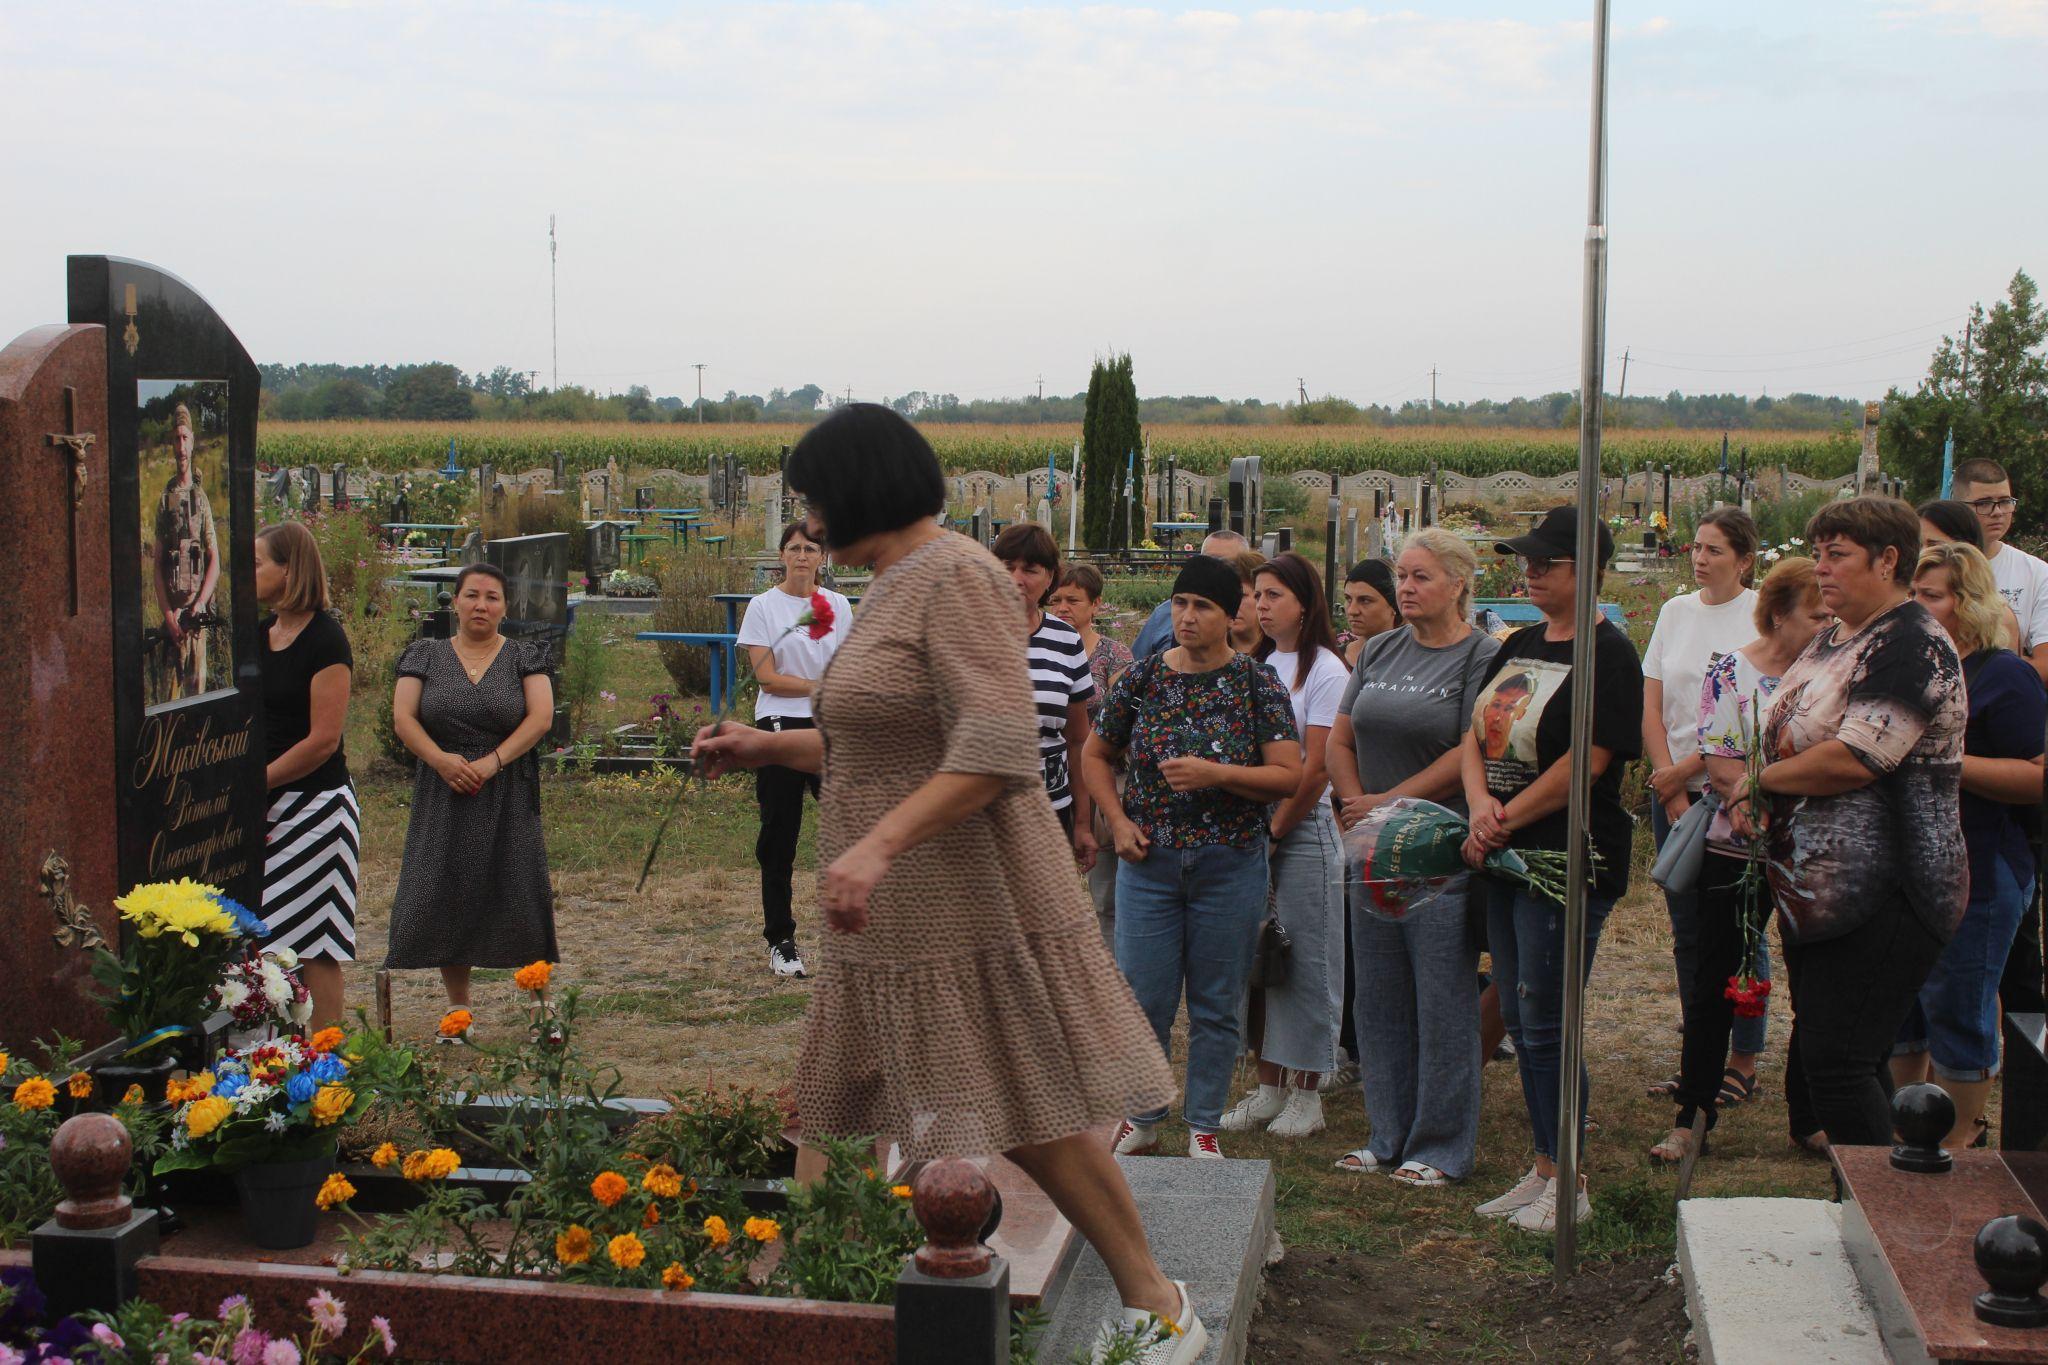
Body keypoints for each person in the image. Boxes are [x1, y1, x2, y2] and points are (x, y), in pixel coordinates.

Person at [691, 406, 1211, 1361]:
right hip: (887, 917)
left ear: (860, 486)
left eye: (812, 496)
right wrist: (759, 745)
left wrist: (878, 845)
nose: (804, 519)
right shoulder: (888, 585)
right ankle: (828, 1300)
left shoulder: (958, 574)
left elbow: (1000, 743)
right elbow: (881, 738)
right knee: (843, 1099)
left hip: (965, 897)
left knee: (1034, 1110)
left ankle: (1162, 1305)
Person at [1751, 497, 1967, 1151]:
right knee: (1849, 1057)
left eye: (1836, 554)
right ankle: (1871, 1222)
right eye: (1817, 553)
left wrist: (1759, 781)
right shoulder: (1838, 634)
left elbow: (1859, 756)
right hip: (1820, 888)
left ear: (1888, 558)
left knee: (1839, 1068)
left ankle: (1895, 1224)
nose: (1820, 568)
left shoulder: (1910, 643)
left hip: (1888, 889)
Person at [1459, 505, 1643, 1232]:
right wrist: (1479, 805)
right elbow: (1477, 730)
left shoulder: (1612, 653)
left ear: (1586, 570)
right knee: (1518, 1006)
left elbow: (1587, 764)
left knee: (1547, 1018)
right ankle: (1541, 1166)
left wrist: (1505, 816)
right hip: (1503, 850)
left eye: (1546, 563)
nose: (1529, 572)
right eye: (1526, 561)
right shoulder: (1522, 640)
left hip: (1563, 857)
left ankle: (1571, 1177)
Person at [1083, 556, 1301, 1161]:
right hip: (1149, 863)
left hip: (1228, 863)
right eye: (1180, 604)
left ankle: (1202, 1123)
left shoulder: (1255, 683)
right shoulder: (1145, 678)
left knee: (1216, 1000)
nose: (1186, 616)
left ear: (1230, 618)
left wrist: (1217, 773)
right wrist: (1118, 822)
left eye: (1202, 606)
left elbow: (1289, 774)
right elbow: (1096, 754)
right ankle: (1143, 1114)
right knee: (1144, 996)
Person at [1327, 529, 1498, 1185]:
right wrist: (1354, 801)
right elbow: (1343, 736)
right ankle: (1387, 1132)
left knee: (1442, 1000)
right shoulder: (1381, 647)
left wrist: (1387, 803)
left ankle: (1443, 1145)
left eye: (1421, 576)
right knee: (1377, 997)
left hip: (1436, 849)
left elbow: (1469, 749)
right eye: (1402, 575)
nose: (1406, 587)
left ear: (1459, 582)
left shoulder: (1480, 655)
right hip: (1370, 850)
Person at [1648, 557, 1832, 1165]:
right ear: (1780, 614)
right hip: (1738, 846)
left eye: (1832, 613)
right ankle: (1693, 1113)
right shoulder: (1731, 671)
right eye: (1816, 614)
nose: (1828, 624)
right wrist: (1745, 797)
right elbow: (1719, 756)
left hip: (1815, 849)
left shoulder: (1837, 673)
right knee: (1714, 978)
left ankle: (1808, 1116)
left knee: (1815, 980)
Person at [1890, 542, 2046, 1149]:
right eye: (1913, 595)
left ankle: (1958, 1140)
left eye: (1931, 596)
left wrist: (1947, 760)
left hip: (1982, 866)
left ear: (1970, 602)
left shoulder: (2006, 676)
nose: (1918, 606)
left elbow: (2034, 777)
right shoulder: (1911, 665)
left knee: (1960, 1003)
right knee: (1905, 1003)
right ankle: (1911, 1126)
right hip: (1906, 863)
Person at [385, 564, 560, 1014]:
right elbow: (404, 717)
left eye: (492, 597)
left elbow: (540, 718)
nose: (481, 605)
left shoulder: (525, 656)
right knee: (447, 893)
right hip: (444, 789)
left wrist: (492, 762)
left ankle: (542, 1006)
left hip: (507, 790)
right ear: (456, 602)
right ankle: (458, 1009)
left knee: (519, 892)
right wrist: (440, 760)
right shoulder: (424, 654)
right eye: (471, 595)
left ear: (504, 607)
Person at [1216, 553, 1350, 1139]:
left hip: (1301, 832)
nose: (1262, 606)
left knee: (1307, 965)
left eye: (1273, 596)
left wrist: (1276, 832)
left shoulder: (1325, 671)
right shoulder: (1259, 662)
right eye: (1258, 596)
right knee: (1260, 964)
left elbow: (1316, 767)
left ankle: (1309, 1092)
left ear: (1304, 602)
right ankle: (1269, 1086)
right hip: (1255, 831)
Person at [1640, 509, 1768, 1109]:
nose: (1700, 557)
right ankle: (1699, 1058)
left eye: (1715, 549)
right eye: (1696, 547)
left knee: (1740, 930)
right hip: (1675, 794)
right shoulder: (1674, 612)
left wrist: (1689, 770)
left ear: (1744, 559)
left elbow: (1755, 707)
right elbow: (1654, 700)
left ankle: (1742, 1057)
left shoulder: (1759, 613)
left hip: (1729, 793)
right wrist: (1667, 783)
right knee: (1689, 933)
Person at [737, 521, 853, 979]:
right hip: (780, 727)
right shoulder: (764, 606)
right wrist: (823, 686)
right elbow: (768, 677)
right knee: (779, 837)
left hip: (832, 729)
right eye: (794, 548)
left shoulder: (839, 605)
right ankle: (781, 940)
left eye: (811, 548)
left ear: (823, 557)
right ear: (781, 555)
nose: (802, 556)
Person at [252, 521, 356, 1029]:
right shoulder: (257, 635)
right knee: (262, 937)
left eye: (257, 563)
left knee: (314, 941)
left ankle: (329, 1059)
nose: (248, 573)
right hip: (265, 803)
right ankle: (274, 1056)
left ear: (289, 570)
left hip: (316, 808)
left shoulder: (325, 639)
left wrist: (257, 781)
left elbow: (323, 740)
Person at [992, 523, 1096, 869]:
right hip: (978, 810)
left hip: (1049, 808)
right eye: (1007, 567)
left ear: (1050, 578)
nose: (1016, 578)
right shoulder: (968, 631)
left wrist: (1082, 822)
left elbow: (1078, 740)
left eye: (1030, 570)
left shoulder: (1065, 640)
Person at [1049, 564, 1134, 948]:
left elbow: (1126, 714)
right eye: (1056, 600)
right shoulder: (1044, 647)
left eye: (1073, 600)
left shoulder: (1113, 654)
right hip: (1056, 777)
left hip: (1103, 777)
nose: (1063, 607)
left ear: (1095, 604)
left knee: (1107, 892)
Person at [1951, 459, 2048, 682]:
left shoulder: (2036, 573)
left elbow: (2044, 665)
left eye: (2005, 502)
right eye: (1983, 503)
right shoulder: (1936, 567)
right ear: (1959, 506)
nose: (1998, 512)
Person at [152, 403, 220, 701]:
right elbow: (157, 566)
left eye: (185, 438)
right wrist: (169, 617)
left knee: (197, 703)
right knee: (168, 705)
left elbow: (214, 558)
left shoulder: (201, 499)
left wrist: (201, 604)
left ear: (192, 442)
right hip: (173, 628)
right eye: (176, 439)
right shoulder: (165, 500)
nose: (181, 446)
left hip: (197, 623)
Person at [1921, 498, 2025, 651]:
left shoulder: (1998, 616)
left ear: (1966, 549)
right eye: (1917, 544)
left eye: (1934, 545)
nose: (1923, 553)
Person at [1131, 529, 1249, 658]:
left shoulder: (1256, 614)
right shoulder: (1165, 614)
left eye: (1227, 565)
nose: (1188, 617)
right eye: (1207, 561)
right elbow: (1135, 662)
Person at [1339, 558, 1401, 667]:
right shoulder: (1333, 660)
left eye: (1365, 600)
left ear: (1394, 606)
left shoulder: (1411, 662)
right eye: (1348, 599)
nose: (1352, 610)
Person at [1227, 549, 1267, 655]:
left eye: (1241, 596)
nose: (1231, 603)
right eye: (1226, 595)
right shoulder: (1204, 656)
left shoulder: (1286, 656)